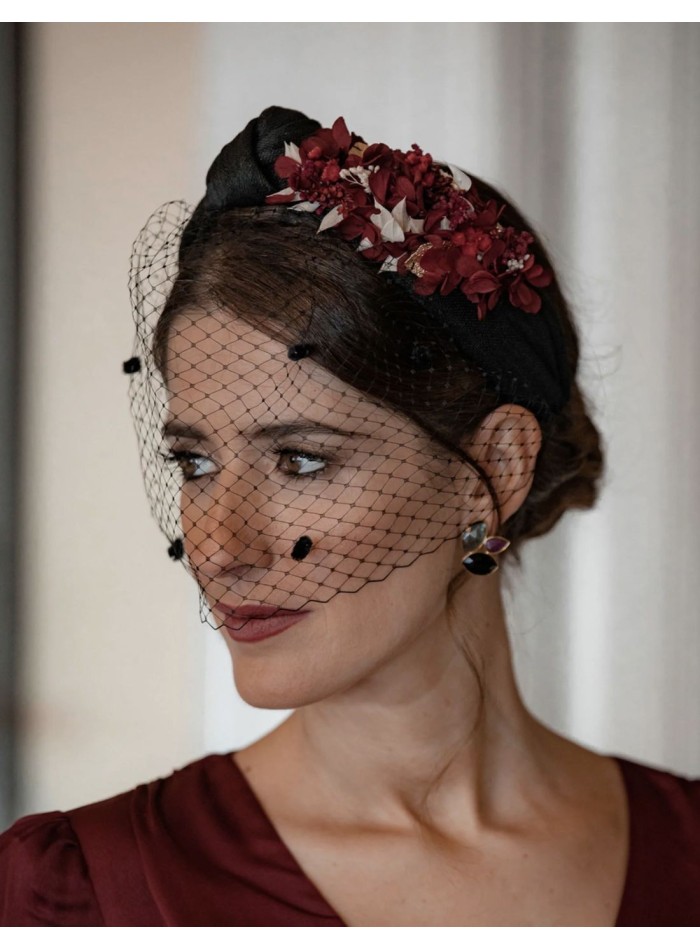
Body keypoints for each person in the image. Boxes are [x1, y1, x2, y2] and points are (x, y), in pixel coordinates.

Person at [1, 106, 698, 927]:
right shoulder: (83, 895)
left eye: (300, 460)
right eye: (193, 463)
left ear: (495, 471)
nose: (219, 545)